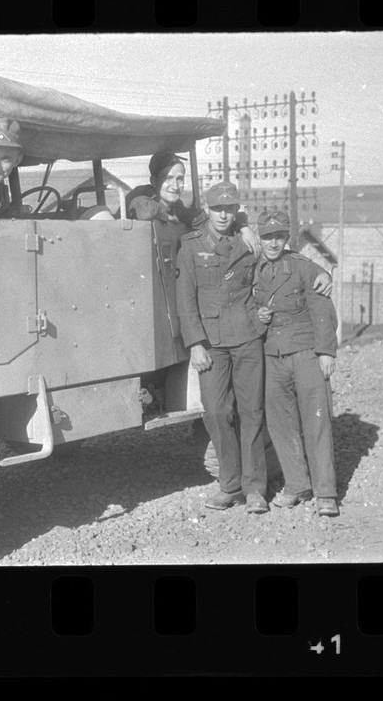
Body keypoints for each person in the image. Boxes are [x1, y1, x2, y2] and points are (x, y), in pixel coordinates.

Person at [175, 181, 271, 514]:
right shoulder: (191, 246)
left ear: (236, 211)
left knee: (252, 412)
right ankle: (230, 483)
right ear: (207, 209)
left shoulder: (248, 243)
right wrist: (195, 344)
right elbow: (185, 299)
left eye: (230, 209)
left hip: (247, 337)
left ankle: (255, 489)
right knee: (215, 412)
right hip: (212, 343)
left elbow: (270, 273)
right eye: (217, 209)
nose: (223, 215)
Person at [253, 210, 340, 517]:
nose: (273, 244)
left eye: (278, 238)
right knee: (280, 424)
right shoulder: (254, 269)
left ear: (286, 238)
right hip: (272, 356)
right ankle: (297, 484)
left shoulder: (304, 267)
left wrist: (326, 352)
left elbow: (322, 309)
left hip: (305, 354)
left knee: (316, 421)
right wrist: (257, 317)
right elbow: (247, 306)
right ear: (259, 238)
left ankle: (326, 492)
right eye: (267, 238)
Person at [125, 150, 260, 253]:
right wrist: (167, 216)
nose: (175, 186)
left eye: (180, 179)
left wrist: (243, 228)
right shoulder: (143, 196)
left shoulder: (178, 207)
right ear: (154, 181)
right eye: (168, 178)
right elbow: (145, 211)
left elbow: (204, 220)